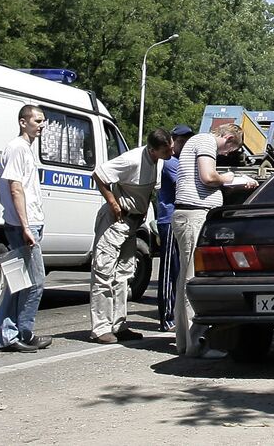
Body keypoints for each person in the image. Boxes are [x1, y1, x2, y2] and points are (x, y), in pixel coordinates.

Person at [172, 123, 253, 357]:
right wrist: (229, 178)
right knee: (194, 279)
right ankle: (196, 344)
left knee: (185, 279)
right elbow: (208, 176)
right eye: (230, 149)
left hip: (187, 214)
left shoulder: (196, 142)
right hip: (194, 215)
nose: (226, 154)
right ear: (227, 137)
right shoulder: (206, 141)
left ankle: (185, 342)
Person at [89, 128, 172, 343]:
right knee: (104, 272)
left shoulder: (159, 162)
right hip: (116, 221)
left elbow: (147, 190)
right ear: (153, 149)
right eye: (166, 150)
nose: (170, 152)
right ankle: (101, 328)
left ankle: (119, 324)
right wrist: (113, 203)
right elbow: (99, 174)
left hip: (133, 222)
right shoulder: (132, 160)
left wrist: (144, 209)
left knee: (124, 273)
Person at [0, 104, 52, 353]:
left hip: (27, 223)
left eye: (42, 121)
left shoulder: (25, 149)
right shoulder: (17, 148)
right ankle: (19, 332)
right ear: (22, 122)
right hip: (21, 226)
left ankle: (9, 333)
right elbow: (15, 188)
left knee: (19, 281)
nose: (41, 126)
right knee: (34, 282)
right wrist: (26, 226)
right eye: (37, 121)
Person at [156, 124, 194, 332]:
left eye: (187, 141)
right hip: (169, 220)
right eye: (180, 141)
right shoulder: (171, 162)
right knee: (170, 271)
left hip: (178, 220)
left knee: (180, 270)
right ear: (173, 141)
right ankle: (167, 317)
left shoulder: (180, 162)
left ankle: (176, 315)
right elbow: (185, 184)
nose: (184, 144)